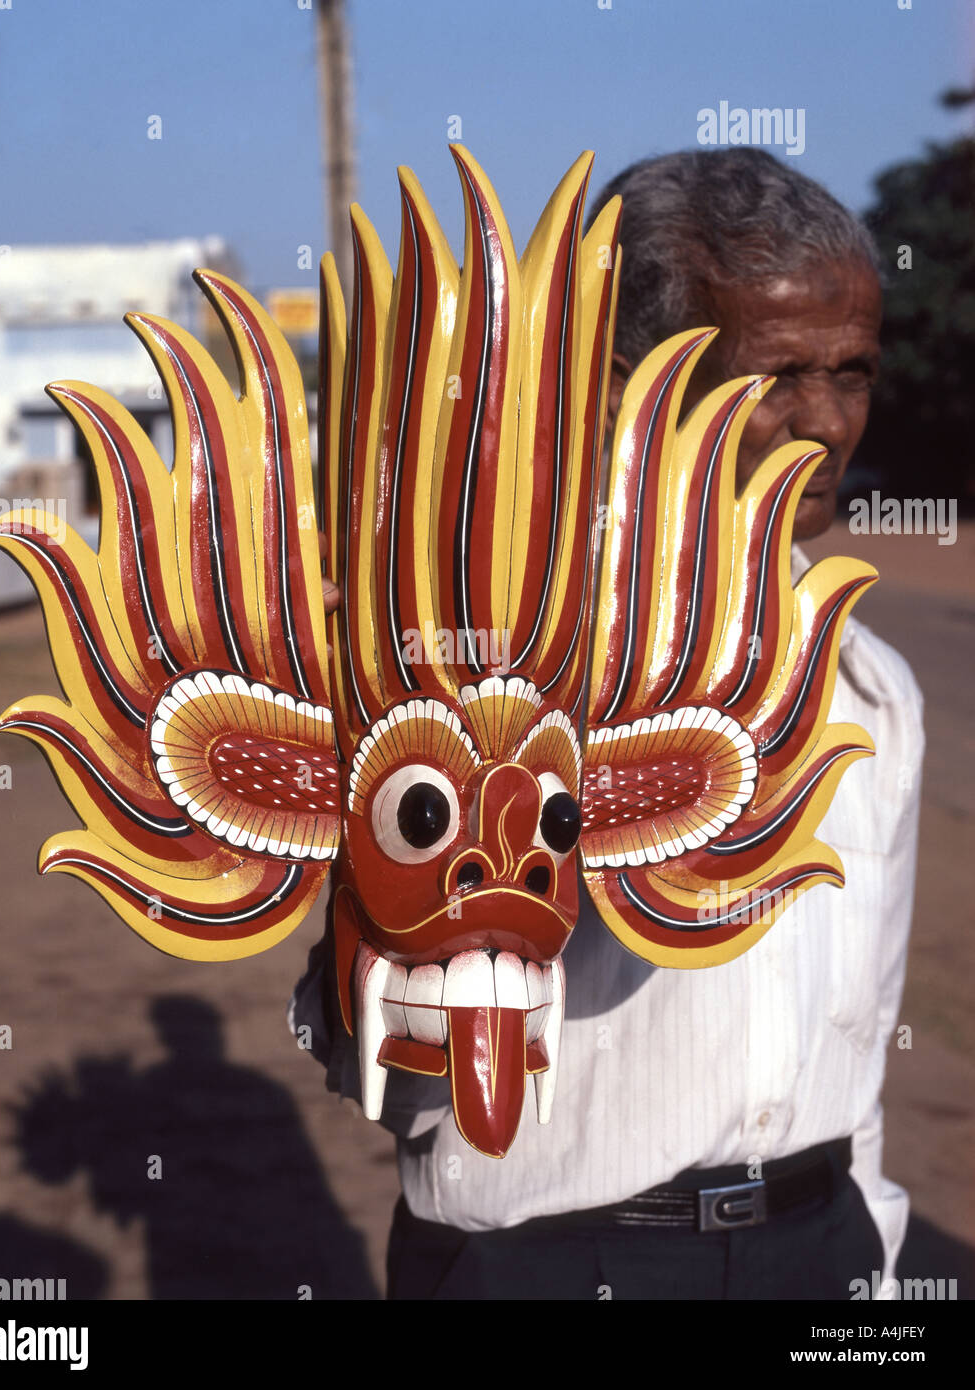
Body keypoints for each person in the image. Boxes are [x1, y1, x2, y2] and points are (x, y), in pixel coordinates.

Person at [292, 147, 924, 1300]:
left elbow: (864, 1027)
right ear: (632, 383)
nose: (827, 422)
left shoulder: (875, 690)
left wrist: (867, 1250)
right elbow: (378, 1069)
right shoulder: (482, 661)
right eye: (778, 376)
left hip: (819, 1249)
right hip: (549, 1259)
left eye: (853, 371)